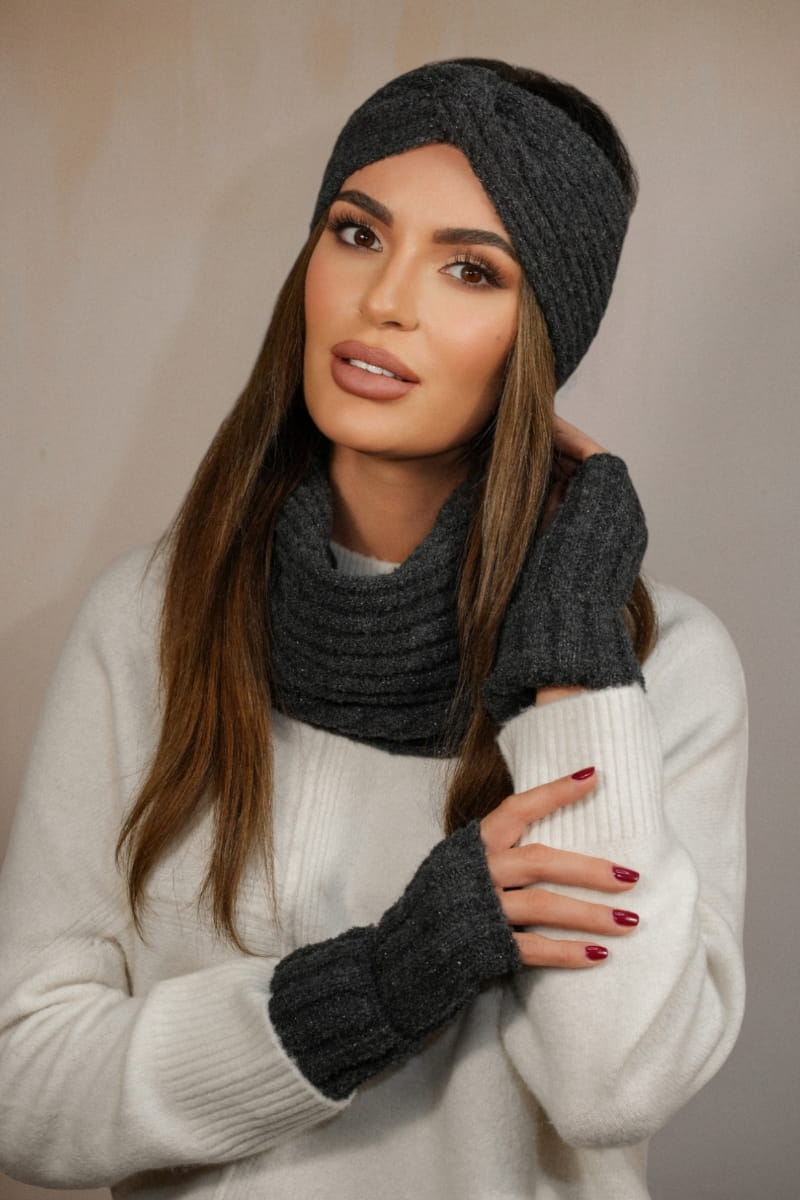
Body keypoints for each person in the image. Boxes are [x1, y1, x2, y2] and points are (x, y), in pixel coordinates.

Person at [0, 59, 746, 1199]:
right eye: (357, 233)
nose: (385, 299)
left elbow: (613, 1086)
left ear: (540, 338)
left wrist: (568, 643)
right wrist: (383, 983)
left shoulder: (658, 665)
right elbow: (24, 1088)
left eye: (469, 268)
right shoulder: (149, 621)